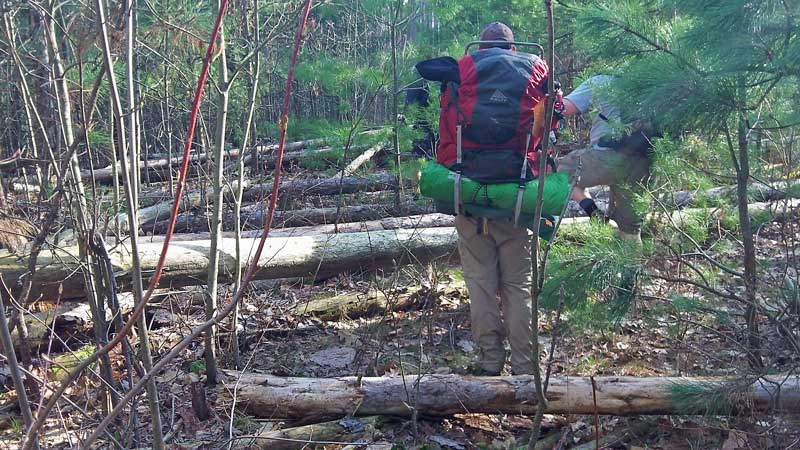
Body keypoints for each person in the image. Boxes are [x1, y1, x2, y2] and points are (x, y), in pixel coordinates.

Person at [434, 22, 550, 376]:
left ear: (481, 47)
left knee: (481, 284)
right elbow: (547, 133)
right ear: (514, 48)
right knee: (519, 286)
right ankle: (526, 370)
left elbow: (445, 137)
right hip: (518, 195)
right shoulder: (537, 75)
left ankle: (489, 362)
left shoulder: (461, 74)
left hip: (470, 194)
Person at [557, 75, 656, 242]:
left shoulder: (602, 81)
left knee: (557, 172)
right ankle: (632, 265)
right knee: (631, 228)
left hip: (606, 157)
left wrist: (552, 96)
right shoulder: (653, 79)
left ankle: (594, 213)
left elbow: (562, 109)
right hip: (643, 160)